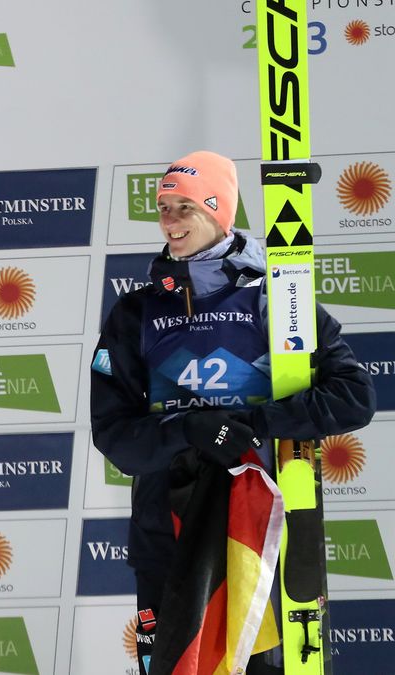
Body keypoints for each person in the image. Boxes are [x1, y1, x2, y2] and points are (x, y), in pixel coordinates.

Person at [91, 151, 376, 673]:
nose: (170, 220)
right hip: (168, 536)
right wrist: (190, 429)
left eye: (185, 207)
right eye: (163, 207)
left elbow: (354, 397)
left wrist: (257, 423)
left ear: (220, 212)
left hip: (266, 532)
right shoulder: (136, 313)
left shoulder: (276, 298)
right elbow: (115, 437)